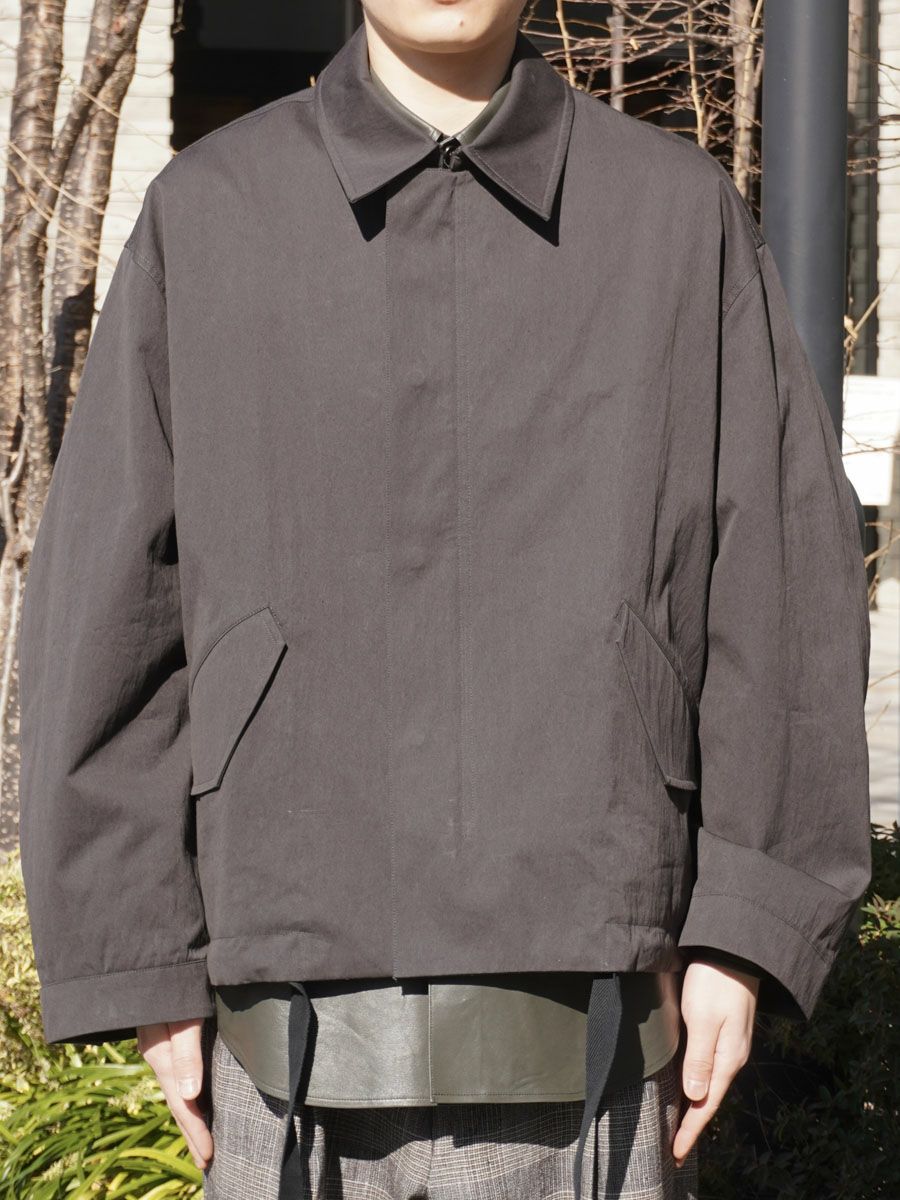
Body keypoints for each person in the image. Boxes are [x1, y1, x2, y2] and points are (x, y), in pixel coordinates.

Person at [17, 2, 871, 1199]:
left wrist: (746, 924)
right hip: (283, 1032)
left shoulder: (675, 219)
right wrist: (140, 954)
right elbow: (112, 606)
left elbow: (779, 587)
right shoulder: (209, 214)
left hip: (598, 1015)